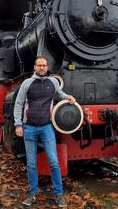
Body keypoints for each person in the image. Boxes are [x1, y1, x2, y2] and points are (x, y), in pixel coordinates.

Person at [14, 56, 75, 207]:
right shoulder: (27, 83)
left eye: (44, 66)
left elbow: (59, 94)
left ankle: (58, 194)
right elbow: (18, 104)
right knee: (32, 164)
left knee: (54, 162)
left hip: (47, 127)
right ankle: (33, 193)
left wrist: (68, 97)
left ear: (47, 67)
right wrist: (18, 125)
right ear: (34, 67)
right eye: (39, 65)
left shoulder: (53, 82)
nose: (42, 68)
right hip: (29, 127)